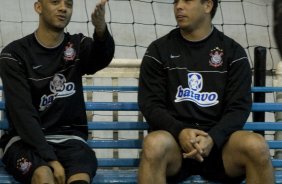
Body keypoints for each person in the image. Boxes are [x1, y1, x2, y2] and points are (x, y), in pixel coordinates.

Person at [137, 0, 274, 183]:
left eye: (186, 0)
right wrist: (180, 132)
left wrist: (213, 138)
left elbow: (239, 108)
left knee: (257, 146)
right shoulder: (158, 50)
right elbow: (150, 104)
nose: (178, 6)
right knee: (153, 144)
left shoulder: (233, 53)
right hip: (175, 145)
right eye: (176, 1)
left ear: (208, 6)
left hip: (220, 146)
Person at [0, 0, 114, 183]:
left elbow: (101, 58)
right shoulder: (14, 54)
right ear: (38, 7)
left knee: (80, 177)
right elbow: (23, 115)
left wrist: (101, 31)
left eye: (68, 4)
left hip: (70, 140)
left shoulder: (77, 45)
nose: (63, 8)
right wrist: (50, 158)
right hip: (24, 141)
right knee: (44, 175)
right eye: (55, 2)